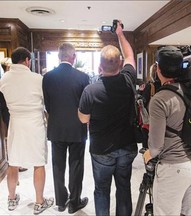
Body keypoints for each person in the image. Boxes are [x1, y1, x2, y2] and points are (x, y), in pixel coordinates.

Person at [78, 20, 138, 216]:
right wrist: (119, 33)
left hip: (102, 149)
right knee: (124, 187)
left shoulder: (90, 90)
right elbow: (130, 55)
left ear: (99, 67)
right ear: (120, 64)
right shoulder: (129, 80)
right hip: (127, 147)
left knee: (102, 190)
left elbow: (83, 119)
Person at [143, 46, 191, 215]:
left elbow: (156, 147)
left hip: (175, 168)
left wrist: (148, 154)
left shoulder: (160, 99)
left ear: (158, 68)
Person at [0, 47, 54, 214]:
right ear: (27, 60)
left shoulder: (4, 79)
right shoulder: (38, 79)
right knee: (39, 163)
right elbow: (46, 102)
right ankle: (39, 202)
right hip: (34, 123)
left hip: (15, 123)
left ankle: (11, 198)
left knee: (13, 162)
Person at [42, 42, 89, 214]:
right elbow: (86, 105)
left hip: (56, 128)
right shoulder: (83, 77)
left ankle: (61, 201)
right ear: (73, 57)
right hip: (77, 128)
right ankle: (74, 202)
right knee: (76, 166)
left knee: (58, 166)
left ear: (59, 56)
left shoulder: (47, 77)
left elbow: (47, 104)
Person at [0, 58, 28, 173]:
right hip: (9, 113)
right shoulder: (6, 79)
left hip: (8, 112)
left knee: (13, 140)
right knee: (13, 141)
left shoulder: (6, 79)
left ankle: (16, 164)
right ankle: (15, 164)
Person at [137, 63, 161, 148]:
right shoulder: (167, 86)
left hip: (150, 121)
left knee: (147, 144)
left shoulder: (150, 86)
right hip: (163, 120)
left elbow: (143, 101)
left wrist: (139, 92)